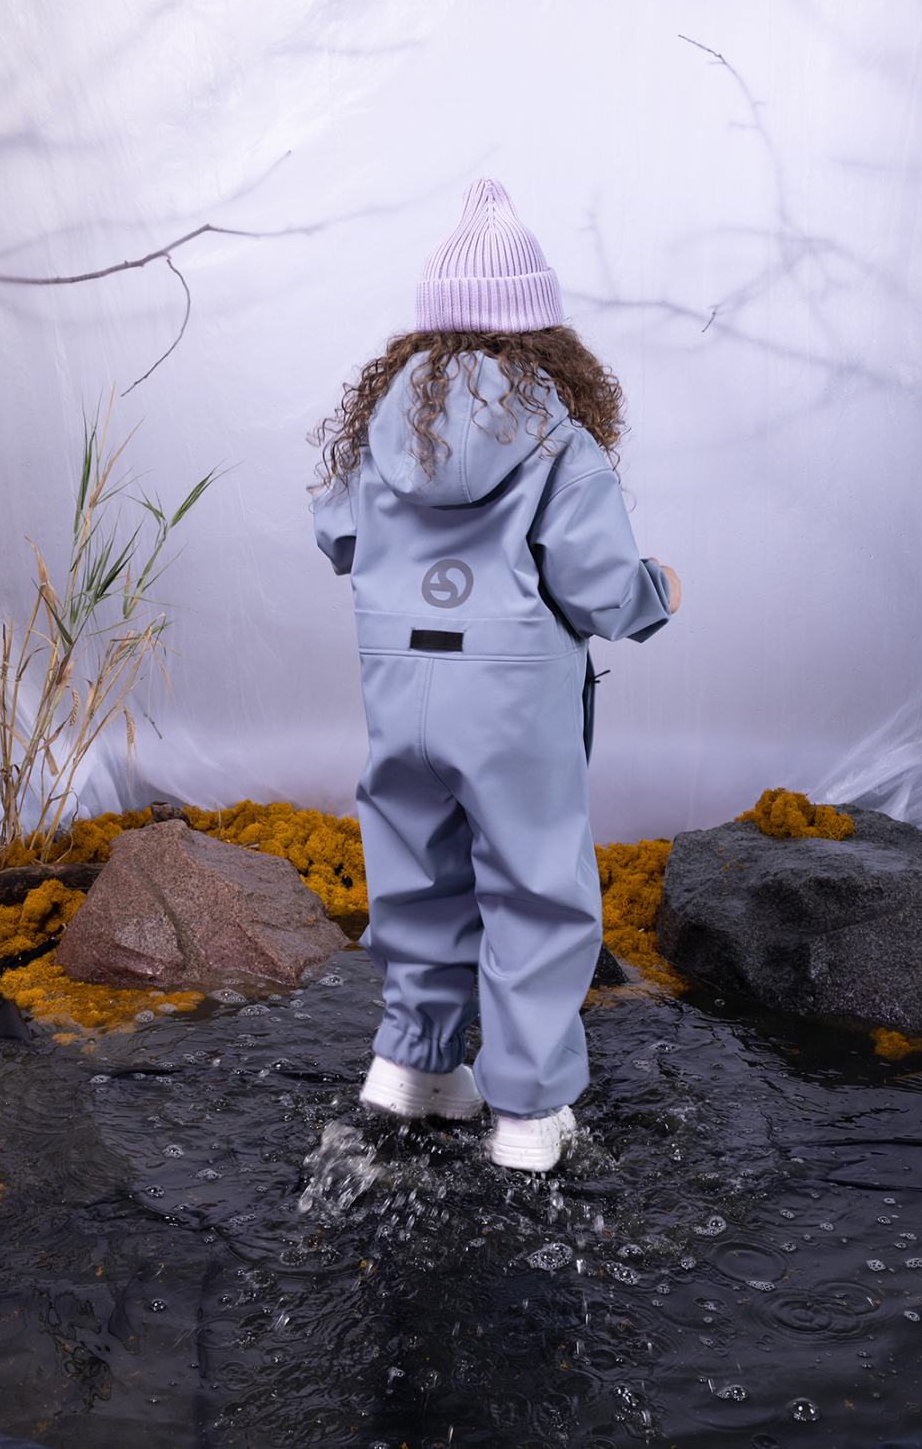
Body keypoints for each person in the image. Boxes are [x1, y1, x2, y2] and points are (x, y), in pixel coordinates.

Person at [312, 178, 680, 1172]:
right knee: (533, 886)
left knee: (417, 871)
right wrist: (658, 590)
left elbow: (338, 537)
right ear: (542, 332)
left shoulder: (387, 425)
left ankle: (414, 1065)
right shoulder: (556, 434)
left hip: (399, 688)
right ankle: (526, 1110)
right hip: (511, 704)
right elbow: (602, 591)